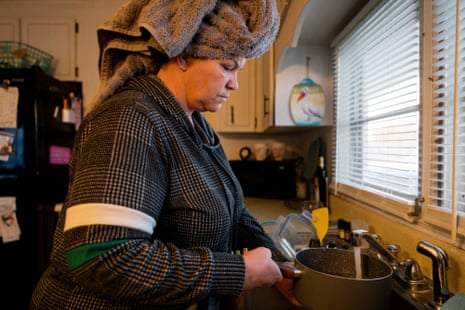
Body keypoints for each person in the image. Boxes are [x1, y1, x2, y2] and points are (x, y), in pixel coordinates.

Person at [30, 0, 301, 309]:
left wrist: (276, 260)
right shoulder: (129, 119)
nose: (235, 84)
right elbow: (102, 257)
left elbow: (232, 211)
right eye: (227, 67)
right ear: (183, 56)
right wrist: (238, 272)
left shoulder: (197, 126)